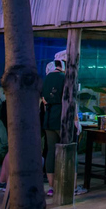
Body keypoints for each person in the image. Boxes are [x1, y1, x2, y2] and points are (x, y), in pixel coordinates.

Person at [42, 51, 65, 197]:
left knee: (51, 151)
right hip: (62, 118)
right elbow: (70, 100)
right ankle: (69, 185)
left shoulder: (47, 77)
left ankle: (51, 187)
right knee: (67, 151)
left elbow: (44, 100)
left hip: (48, 118)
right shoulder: (66, 78)